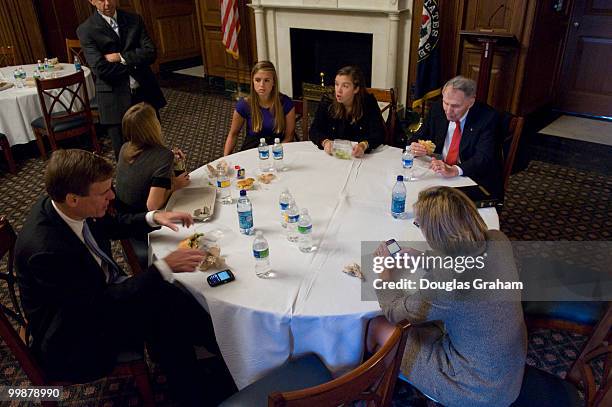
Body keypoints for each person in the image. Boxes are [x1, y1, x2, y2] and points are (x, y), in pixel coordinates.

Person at [15, 149, 235, 406]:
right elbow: (98, 304)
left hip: (92, 298)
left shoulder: (65, 206)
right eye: (104, 192)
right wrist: (164, 267)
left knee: (172, 298)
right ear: (73, 199)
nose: (111, 196)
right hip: (73, 336)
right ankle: (196, 389)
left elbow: (110, 225)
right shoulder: (46, 251)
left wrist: (154, 217)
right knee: (166, 310)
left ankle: (211, 355)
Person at [367, 186, 527, 407]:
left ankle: (367, 392)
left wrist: (383, 274)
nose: (419, 228)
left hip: (476, 389)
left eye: (419, 224)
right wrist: (424, 258)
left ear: (436, 233)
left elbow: (394, 312)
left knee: (377, 326)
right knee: (423, 323)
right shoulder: (498, 239)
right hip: (508, 371)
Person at [77, 0, 167, 159]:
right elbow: (101, 69)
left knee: (156, 148)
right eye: (101, 0)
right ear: (91, 1)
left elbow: (150, 53)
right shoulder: (86, 30)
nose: (107, 3)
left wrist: (121, 57)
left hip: (145, 93)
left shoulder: (134, 19)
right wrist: (136, 62)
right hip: (115, 98)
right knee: (126, 155)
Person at [409, 76, 502, 198]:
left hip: (470, 178)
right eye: (446, 103)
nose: (448, 110)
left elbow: (483, 158)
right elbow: (419, 135)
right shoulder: (437, 108)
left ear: (471, 102)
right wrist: (415, 146)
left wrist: (455, 170)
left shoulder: (487, 118)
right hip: (438, 173)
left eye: (455, 106)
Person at [115, 102, 189, 214]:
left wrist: (168, 161)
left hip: (120, 212)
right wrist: (175, 185)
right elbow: (153, 205)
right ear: (154, 125)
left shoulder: (124, 148)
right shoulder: (163, 156)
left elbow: (144, 169)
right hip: (140, 219)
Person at [309, 65, 385, 158]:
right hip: (332, 156)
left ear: (356, 89)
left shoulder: (368, 102)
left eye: (345, 86)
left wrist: (363, 145)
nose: (338, 90)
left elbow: (379, 133)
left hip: (360, 158)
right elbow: (314, 130)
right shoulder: (327, 101)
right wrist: (325, 142)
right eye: (337, 84)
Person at [224, 61, 295, 155]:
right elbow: (233, 134)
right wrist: (225, 158)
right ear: (252, 82)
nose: (261, 85)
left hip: (278, 150)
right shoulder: (244, 104)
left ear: (273, 82)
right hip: (252, 150)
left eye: (266, 80)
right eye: (257, 80)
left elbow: (289, 137)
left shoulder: (286, 103)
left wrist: (277, 154)